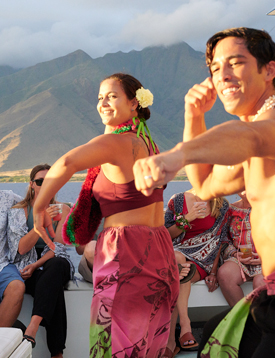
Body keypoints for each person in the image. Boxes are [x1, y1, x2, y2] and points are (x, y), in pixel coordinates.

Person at [133, 27, 275, 357]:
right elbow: (206, 185)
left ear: (269, 70)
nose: (222, 75)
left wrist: (178, 154)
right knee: (216, 336)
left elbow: (251, 137)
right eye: (214, 68)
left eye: (235, 63)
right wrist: (193, 117)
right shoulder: (254, 135)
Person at [33, 73, 180, 357]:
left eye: (112, 96)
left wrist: (39, 207)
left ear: (134, 103)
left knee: (114, 340)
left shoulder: (116, 143)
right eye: (100, 97)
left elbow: (67, 162)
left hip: (124, 251)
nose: (103, 103)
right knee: (148, 340)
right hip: (159, 249)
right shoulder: (149, 143)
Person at [9, 164, 73, 358]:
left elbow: (58, 248)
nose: (45, 185)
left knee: (56, 265)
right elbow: (19, 248)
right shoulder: (19, 211)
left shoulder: (63, 209)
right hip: (26, 268)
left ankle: (32, 328)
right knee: (53, 288)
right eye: (40, 181)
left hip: (50, 263)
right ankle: (57, 354)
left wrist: (37, 264)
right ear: (31, 185)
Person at [163, 190, 229, 356]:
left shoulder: (221, 204)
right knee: (178, 262)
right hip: (177, 254)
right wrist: (187, 218)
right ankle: (185, 327)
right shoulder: (177, 200)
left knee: (178, 274)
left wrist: (213, 272)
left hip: (203, 258)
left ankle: (170, 342)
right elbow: (165, 236)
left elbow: (219, 242)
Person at [218, 191, 264, 307]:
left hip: (267, 260)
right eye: (241, 187)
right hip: (240, 259)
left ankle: (261, 322)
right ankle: (241, 319)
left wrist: (267, 258)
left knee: (260, 282)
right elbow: (224, 239)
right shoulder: (230, 209)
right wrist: (234, 254)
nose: (244, 191)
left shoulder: (271, 208)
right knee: (225, 274)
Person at [0, 190, 26, 329]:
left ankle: (2, 343)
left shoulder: (8, 197)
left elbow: (32, 203)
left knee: (16, 287)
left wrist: (66, 208)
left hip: (2, 264)